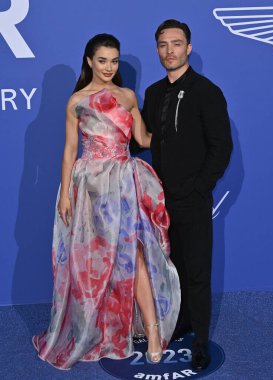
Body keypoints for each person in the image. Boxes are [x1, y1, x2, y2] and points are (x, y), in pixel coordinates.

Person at [32, 33, 180, 370]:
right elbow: (70, 150)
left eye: (114, 60)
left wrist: (179, 134)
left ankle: (153, 334)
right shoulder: (77, 101)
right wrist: (66, 194)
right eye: (102, 61)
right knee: (92, 263)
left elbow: (142, 138)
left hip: (125, 184)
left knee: (135, 256)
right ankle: (94, 329)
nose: (109, 67)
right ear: (89, 61)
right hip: (90, 188)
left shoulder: (128, 96)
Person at [142, 19, 233, 371]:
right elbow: (145, 138)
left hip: (192, 200)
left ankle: (200, 341)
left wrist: (199, 187)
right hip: (159, 200)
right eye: (163, 45)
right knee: (171, 269)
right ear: (157, 50)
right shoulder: (152, 93)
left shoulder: (207, 92)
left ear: (188, 48)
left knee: (196, 272)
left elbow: (221, 147)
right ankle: (180, 323)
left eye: (176, 44)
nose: (169, 51)